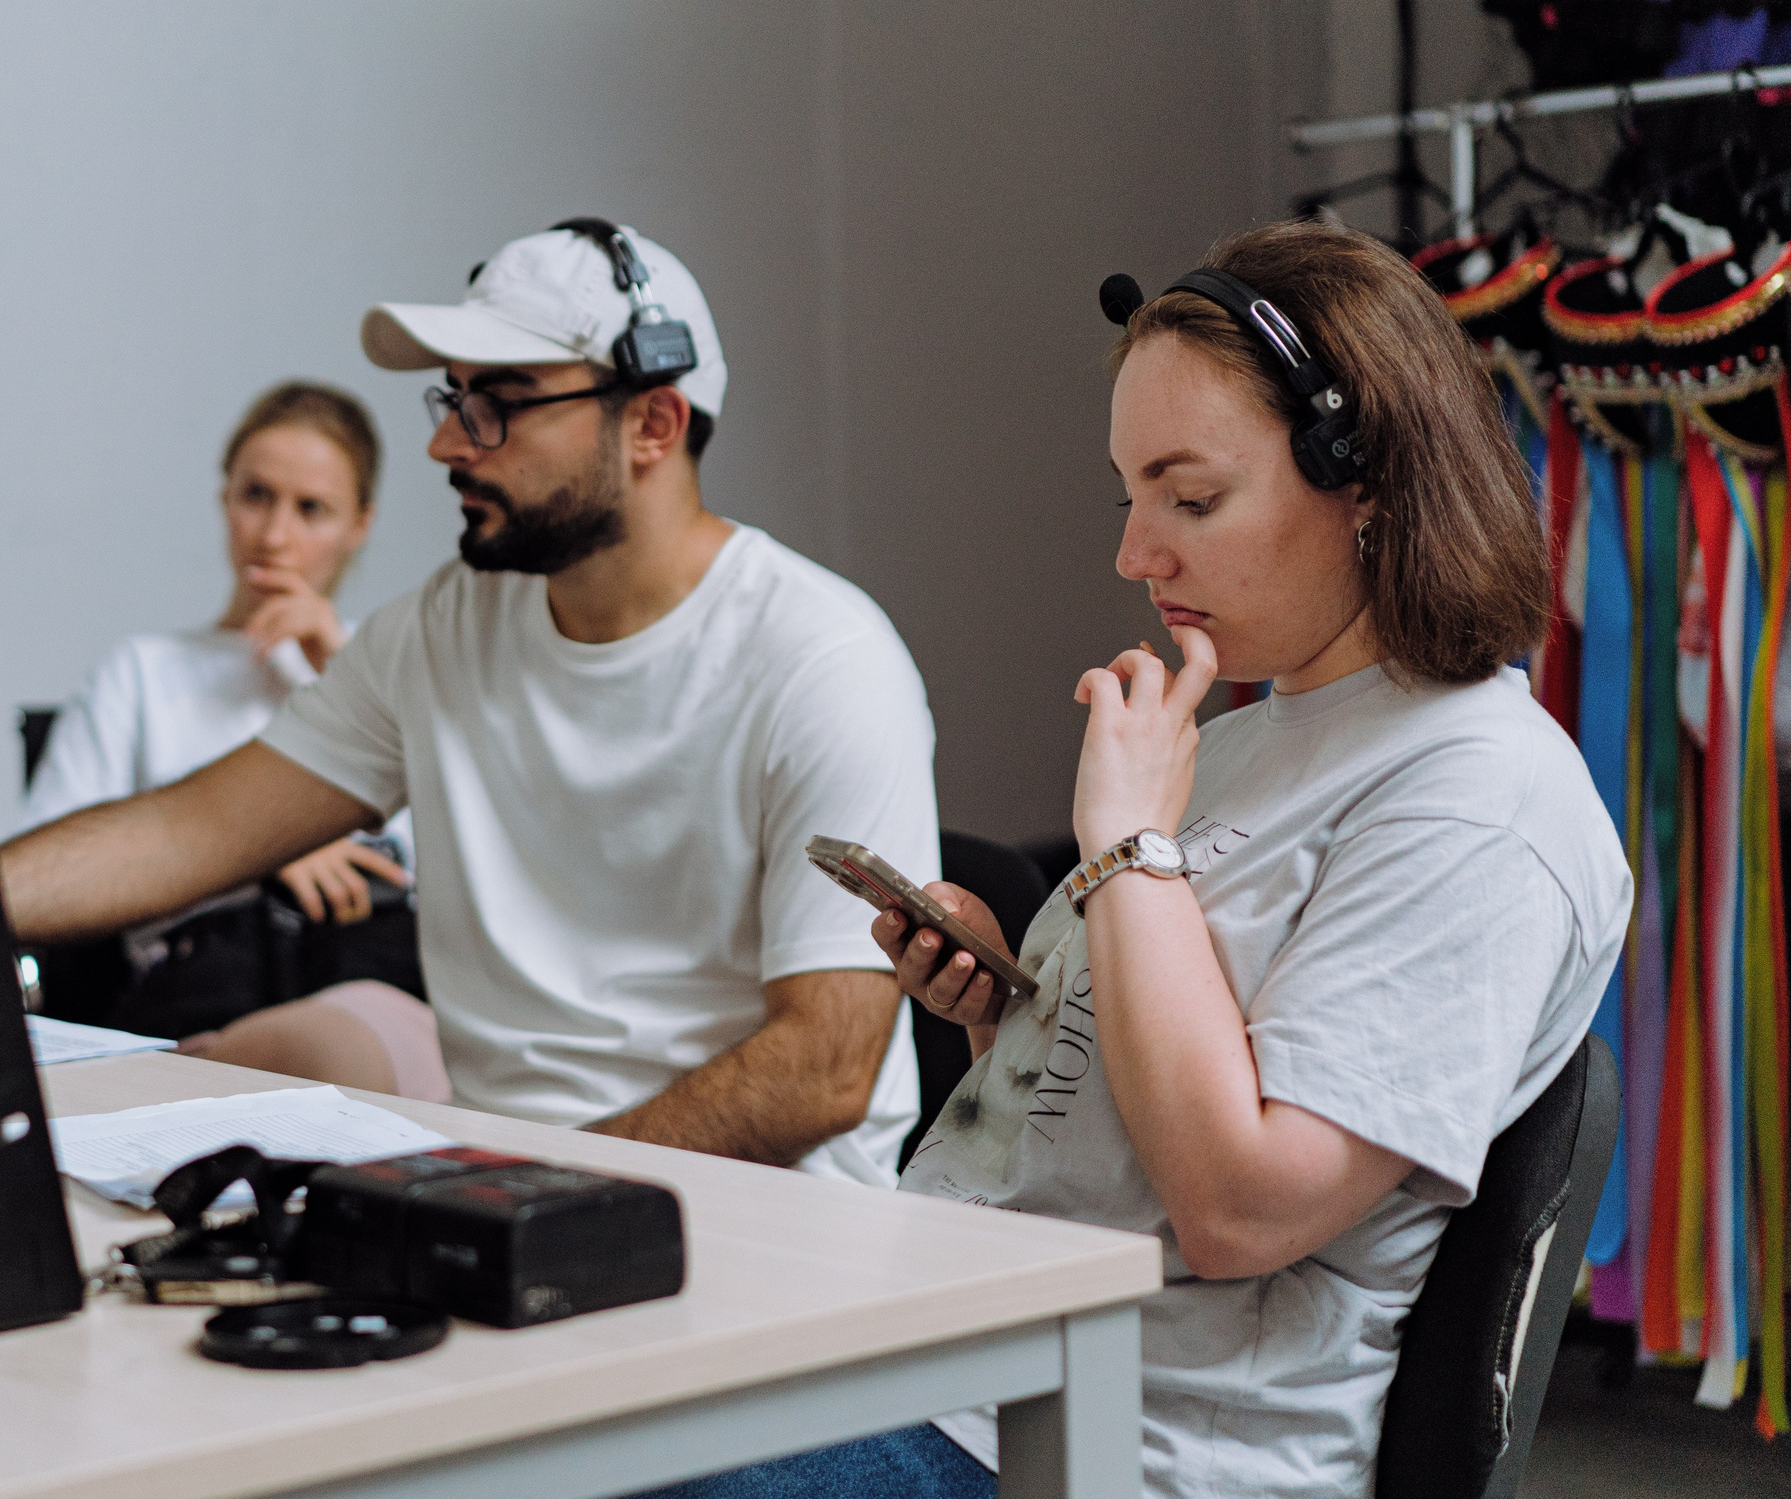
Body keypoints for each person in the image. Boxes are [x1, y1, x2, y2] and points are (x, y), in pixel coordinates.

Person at [639, 220, 1628, 1499]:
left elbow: (1240, 1212)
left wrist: (1127, 850)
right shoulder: (1246, 738)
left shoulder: (1481, 803)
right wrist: (1012, 1020)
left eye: (1192, 497)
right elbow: (1129, 1130)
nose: (1134, 554)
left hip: (1124, 1450)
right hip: (962, 1369)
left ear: (1366, 475)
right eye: (1131, 496)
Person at [0, 220, 936, 1184]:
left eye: (501, 403)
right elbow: (187, 832)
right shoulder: (443, 629)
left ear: (653, 423)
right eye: (452, 398)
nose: (450, 441)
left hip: (763, 1223)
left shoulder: (822, 659)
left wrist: (517, 1190)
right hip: (508, 1194)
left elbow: (823, 1070)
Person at [21, 382, 440, 1099]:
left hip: (375, 977)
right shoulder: (144, 670)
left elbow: (462, 863)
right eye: (256, 495)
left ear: (359, 523)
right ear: (225, 500)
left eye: (311, 509)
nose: (275, 534)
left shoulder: (393, 663)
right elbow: (49, 879)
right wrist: (267, 846)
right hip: (204, 981)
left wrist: (340, 663)